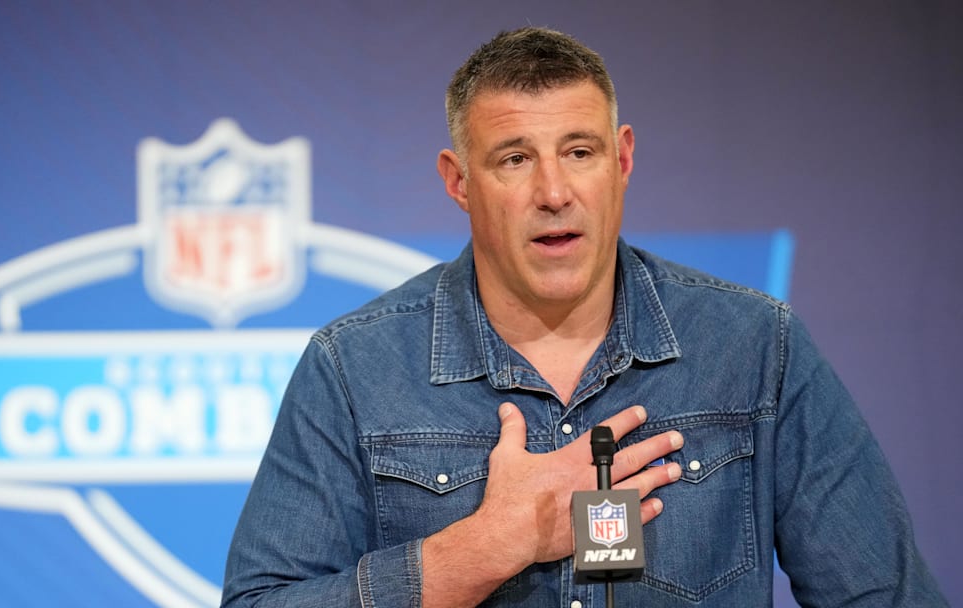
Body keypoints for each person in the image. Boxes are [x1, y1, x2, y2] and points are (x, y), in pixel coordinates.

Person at [221, 27, 945, 607]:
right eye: (514, 159)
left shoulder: (756, 347)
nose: (554, 191)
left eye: (579, 151)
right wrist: (481, 550)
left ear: (622, 161)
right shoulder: (354, 366)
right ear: (459, 182)